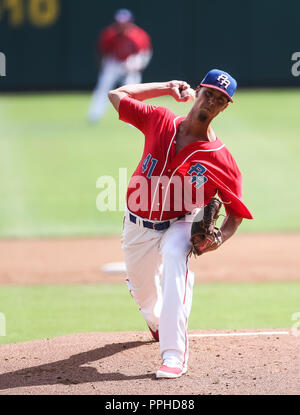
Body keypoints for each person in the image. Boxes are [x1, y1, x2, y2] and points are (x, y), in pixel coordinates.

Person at [108, 69, 253, 379]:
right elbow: (117, 95)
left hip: (181, 223)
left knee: (176, 257)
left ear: (225, 107)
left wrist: (218, 240)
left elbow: (234, 215)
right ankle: (157, 321)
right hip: (137, 226)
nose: (212, 101)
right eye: (209, 93)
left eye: (220, 100)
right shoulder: (161, 120)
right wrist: (164, 86)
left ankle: (174, 356)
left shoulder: (221, 159)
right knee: (145, 297)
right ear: (197, 91)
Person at [88, 9, 152, 122]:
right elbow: (103, 52)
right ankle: (94, 115)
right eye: (119, 23)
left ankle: (136, 119)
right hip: (114, 63)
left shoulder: (138, 35)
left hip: (130, 63)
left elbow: (145, 53)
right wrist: (103, 66)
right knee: (103, 87)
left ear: (130, 22)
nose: (122, 26)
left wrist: (139, 65)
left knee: (135, 92)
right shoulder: (110, 33)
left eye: (124, 23)